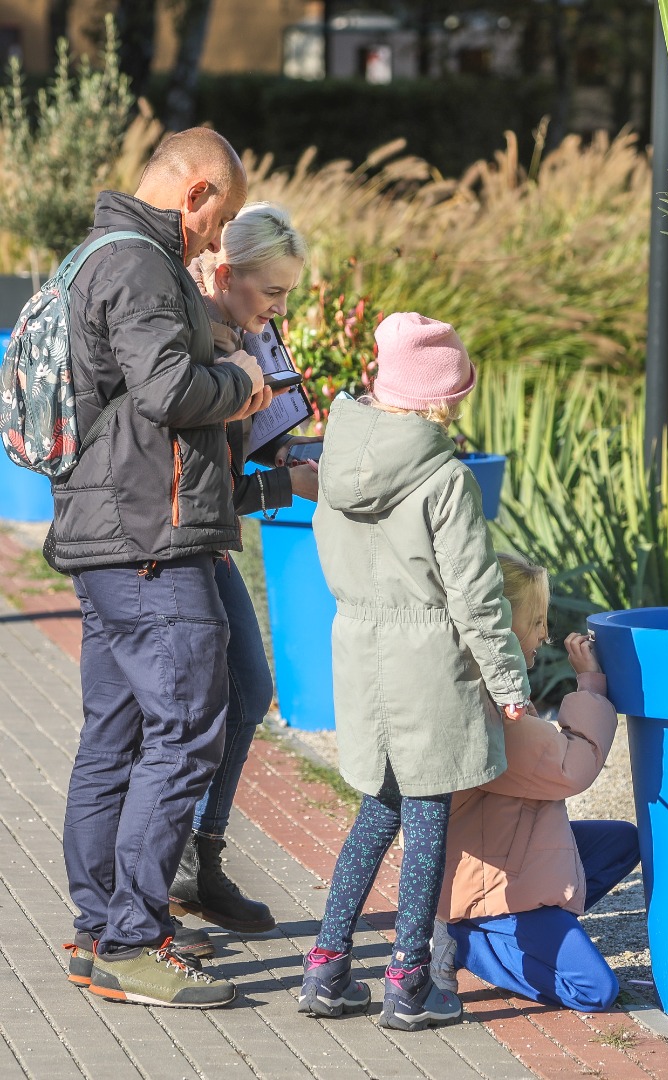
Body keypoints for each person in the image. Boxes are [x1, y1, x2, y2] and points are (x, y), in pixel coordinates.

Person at [55, 128, 266, 1009]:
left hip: (110, 535)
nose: (215, 243)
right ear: (200, 192)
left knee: (114, 737)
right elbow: (170, 391)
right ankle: (133, 943)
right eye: (218, 222)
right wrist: (245, 381)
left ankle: (99, 928)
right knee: (183, 729)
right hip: (150, 538)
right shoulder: (140, 265)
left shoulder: (94, 254)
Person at [297, 311, 531, 1030]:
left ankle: (326, 967)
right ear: (440, 399)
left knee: (377, 808)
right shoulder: (446, 479)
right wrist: (509, 681)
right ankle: (409, 982)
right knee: (427, 815)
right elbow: (474, 592)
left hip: (359, 647)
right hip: (428, 658)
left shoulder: (335, 460)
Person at [167, 203, 317, 937]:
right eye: (271, 294)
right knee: (190, 709)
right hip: (175, 544)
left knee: (249, 687)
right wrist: (292, 484)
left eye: (286, 296)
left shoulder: (244, 334)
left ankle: (202, 860)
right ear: (226, 274)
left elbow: (243, 455)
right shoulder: (202, 340)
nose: (276, 313)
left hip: (207, 540)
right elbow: (203, 482)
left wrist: (286, 454)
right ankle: (163, 874)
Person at [431, 554, 640, 1012]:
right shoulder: (491, 711)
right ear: (501, 625)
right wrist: (589, 685)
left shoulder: (475, 680)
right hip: (488, 883)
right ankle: (464, 937)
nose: (545, 634)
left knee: (623, 842)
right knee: (594, 991)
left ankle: (537, 926)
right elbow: (570, 768)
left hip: (505, 848)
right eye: (537, 621)